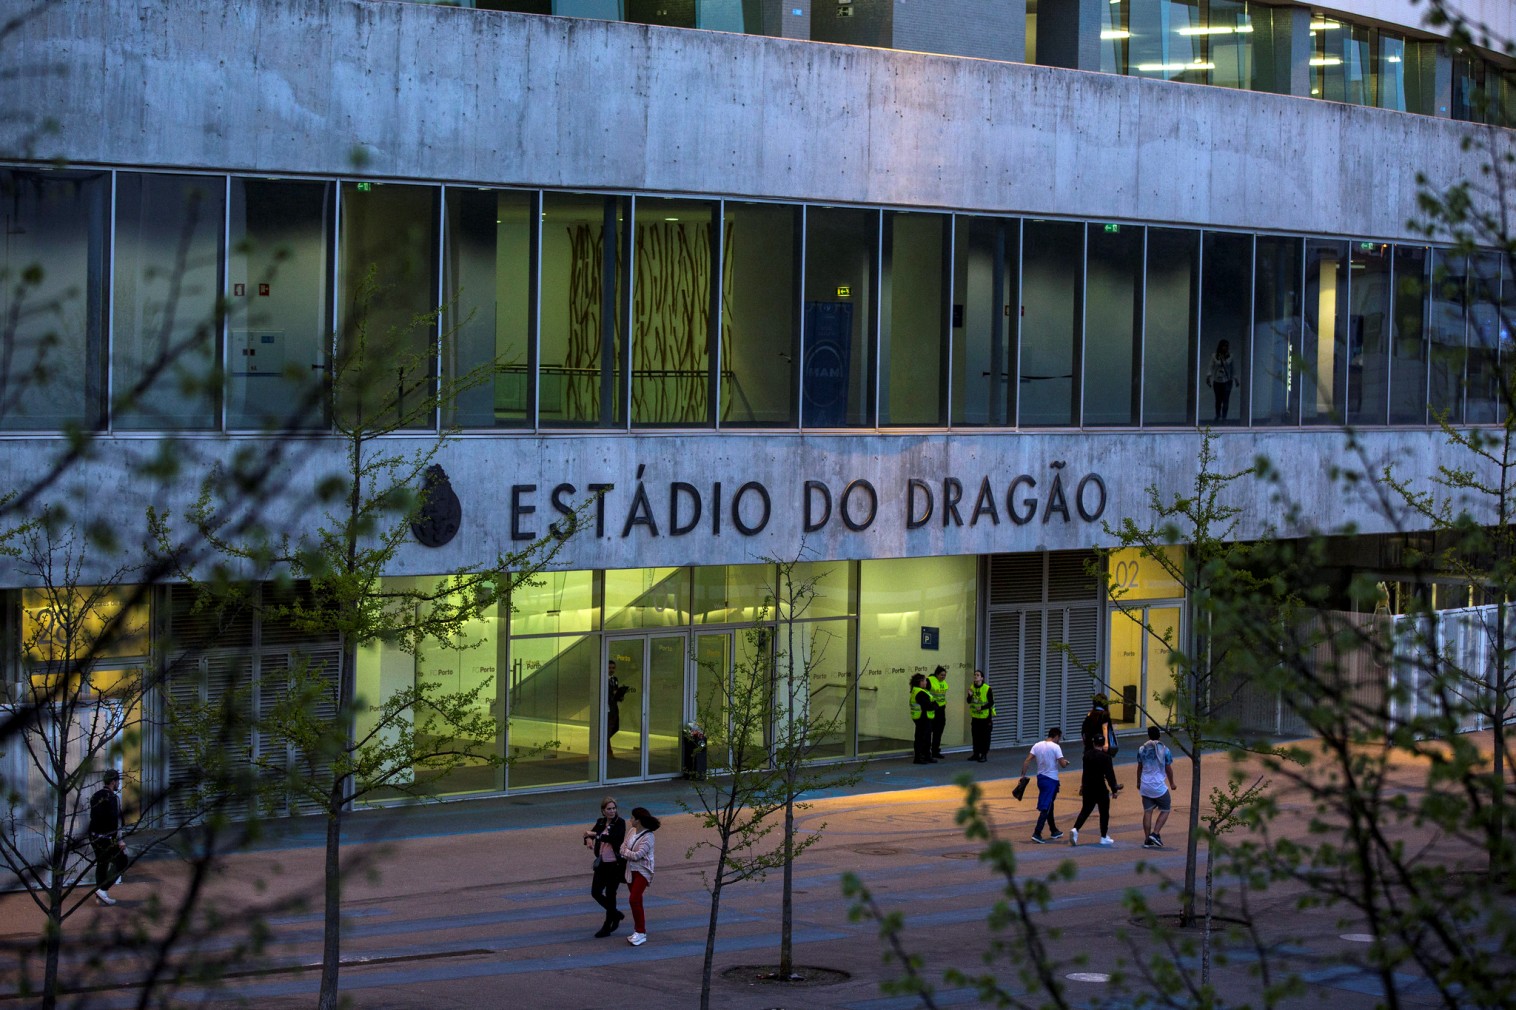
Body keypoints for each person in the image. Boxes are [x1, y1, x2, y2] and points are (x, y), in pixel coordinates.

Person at [1071, 704, 1121, 847]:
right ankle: (1103, 836)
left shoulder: (1086, 756)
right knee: (1104, 812)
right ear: (1102, 743)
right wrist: (1114, 789)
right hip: (1100, 787)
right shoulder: (1105, 758)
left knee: (1086, 809)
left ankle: (1075, 829)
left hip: (1087, 786)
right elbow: (1110, 774)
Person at [582, 796, 627, 937]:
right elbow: (588, 834)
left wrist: (595, 835)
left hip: (614, 864)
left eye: (614, 808)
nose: (612, 811)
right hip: (602, 863)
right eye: (609, 809)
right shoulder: (600, 822)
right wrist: (588, 839)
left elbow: (613, 838)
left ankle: (607, 925)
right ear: (603, 811)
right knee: (595, 892)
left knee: (611, 893)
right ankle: (615, 914)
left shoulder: (620, 823)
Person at [619, 806, 661, 947]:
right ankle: (639, 930)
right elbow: (622, 846)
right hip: (631, 870)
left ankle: (641, 932)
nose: (630, 820)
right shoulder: (632, 831)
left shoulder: (649, 837)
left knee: (634, 899)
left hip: (643, 871)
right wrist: (627, 852)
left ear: (639, 820)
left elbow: (637, 855)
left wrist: (626, 853)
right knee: (637, 901)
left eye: (632, 818)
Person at [88, 769, 129, 906]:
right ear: (113, 782)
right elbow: (115, 821)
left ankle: (100, 896)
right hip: (106, 838)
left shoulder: (95, 796)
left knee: (102, 863)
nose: (118, 784)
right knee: (122, 861)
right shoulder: (113, 798)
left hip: (94, 836)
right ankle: (103, 889)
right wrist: (119, 840)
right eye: (117, 781)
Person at [1021, 727, 1070, 843]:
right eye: (1059, 738)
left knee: (1050, 804)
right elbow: (1062, 764)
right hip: (1051, 780)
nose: (1059, 740)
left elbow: (1027, 761)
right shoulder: (1056, 747)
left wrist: (1023, 775)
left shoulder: (1037, 745)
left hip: (1041, 779)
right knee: (1046, 807)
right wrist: (1066, 762)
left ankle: (1054, 830)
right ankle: (1037, 832)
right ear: (1056, 736)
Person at [1135, 726, 1177, 848]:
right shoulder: (1165, 750)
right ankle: (1155, 833)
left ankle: (1147, 839)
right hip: (1158, 786)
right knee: (1165, 808)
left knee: (1148, 811)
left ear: (1148, 735)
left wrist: (1138, 782)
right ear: (1159, 735)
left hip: (1145, 785)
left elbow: (1139, 767)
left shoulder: (1142, 749)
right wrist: (1172, 783)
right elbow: (1168, 768)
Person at [965, 669, 995, 762]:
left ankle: (984, 754)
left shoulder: (987, 688)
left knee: (985, 737)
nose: (975, 676)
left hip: (985, 717)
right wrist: (969, 695)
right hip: (975, 717)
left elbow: (991, 702)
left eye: (977, 675)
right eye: (974, 675)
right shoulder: (972, 687)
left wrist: (982, 708)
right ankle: (976, 754)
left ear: (982, 678)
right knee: (975, 736)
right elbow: (969, 701)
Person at [909, 673, 938, 764]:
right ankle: (920, 757)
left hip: (920, 717)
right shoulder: (921, 693)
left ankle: (925, 756)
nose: (926, 682)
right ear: (920, 682)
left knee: (923, 737)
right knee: (922, 738)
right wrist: (934, 705)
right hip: (923, 717)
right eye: (925, 680)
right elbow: (929, 705)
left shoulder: (917, 691)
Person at [1205, 339, 1237, 421]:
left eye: (1227, 346)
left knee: (1226, 400)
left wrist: (1235, 379)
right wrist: (1208, 377)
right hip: (1217, 381)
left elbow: (1233, 369)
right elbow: (1210, 367)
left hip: (1227, 381)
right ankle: (1218, 415)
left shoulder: (1230, 356)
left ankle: (1224, 417)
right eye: (1224, 346)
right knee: (1218, 400)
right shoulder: (1214, 356)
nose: (1225, 348)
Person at [606, 659, 631, 758]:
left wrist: (620, 695)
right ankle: (608, 751)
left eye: (613, 668)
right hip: (607, 706)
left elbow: (615, 693)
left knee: (615, 727)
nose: (611, 670)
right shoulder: (603, 679)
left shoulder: (615, 679)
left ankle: (604, 742)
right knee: (607, 729)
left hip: (614, 706)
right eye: (609, 668)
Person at [927, 665, 950, 759]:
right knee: (929, 731)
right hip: (932, 709)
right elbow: (925, 693)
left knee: (939, 731)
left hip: (941, 709)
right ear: (936, 674)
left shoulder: (944, 682)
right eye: (941, 675)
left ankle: (935, 750)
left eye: (944, 675)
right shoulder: (930, 680)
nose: (943, 677)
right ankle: (927, 751)